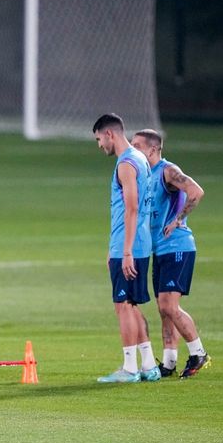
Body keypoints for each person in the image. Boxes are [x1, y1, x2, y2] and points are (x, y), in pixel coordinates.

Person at [131, 129, 211, 378]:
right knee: (163, 308)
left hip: (178, 246)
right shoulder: (144, 174)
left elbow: (196, 191)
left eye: (137, 145)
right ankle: (168, 362)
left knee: (169, 305)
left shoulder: (167, 171)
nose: (133, 149)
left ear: (153, 149)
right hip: (159, 249)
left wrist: (178, 219)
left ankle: (198, 352)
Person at [92, 114, 161, 383]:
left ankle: (130, 369)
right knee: (130, 305)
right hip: (136, 242)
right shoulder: (140, 159)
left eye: (99, 139)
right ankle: (148, 365)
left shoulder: (126, 164)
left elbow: (131, 208)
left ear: (110, 134)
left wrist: (126, 250)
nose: (99, 145)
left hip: (130, 246)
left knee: (123, 306)